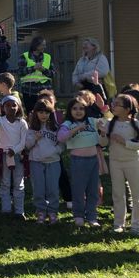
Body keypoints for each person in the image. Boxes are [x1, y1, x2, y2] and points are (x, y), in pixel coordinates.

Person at [99, 93, 139, 236]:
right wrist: (102, 134)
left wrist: (125, 142)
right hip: (115, 162)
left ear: (128, 109)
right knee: (118, 194)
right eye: (113, 103)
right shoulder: (109, 123)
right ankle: (119, 223)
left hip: (132, 162)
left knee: (137, 194)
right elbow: (103, 144)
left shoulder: (138, 124)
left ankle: (137, 224)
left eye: (117, 104)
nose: (113, 106)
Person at [58, 97, 101, 228]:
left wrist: (103, 127)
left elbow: (106, 122)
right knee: (78, 190)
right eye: (75, 108)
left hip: (93, 160)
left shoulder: (92, 121)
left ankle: (92, 216)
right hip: (78, 161)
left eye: (81, 108)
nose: (78, 111)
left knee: (93, 190)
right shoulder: (67, 124)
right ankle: (78, 215)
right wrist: (76, 129)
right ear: (70, 110)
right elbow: (61, 137)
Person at [25, 98, 63, 224]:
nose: (43, 115)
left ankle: (52, 211)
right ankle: (41, 211)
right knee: (39, 188)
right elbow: (27, 146)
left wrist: (56, 150)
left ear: (50, 113)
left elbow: (63, 144)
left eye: (46, 112)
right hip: (36, 162)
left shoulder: (55, 128)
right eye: (40, 112)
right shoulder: (31, 129)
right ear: (36, 113)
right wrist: (35, 139)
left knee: (52, 188)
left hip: (53, 162)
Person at [0, 95, 28, 219]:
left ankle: (19, 211)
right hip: (4, 155)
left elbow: (24, 141)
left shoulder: (22, 122)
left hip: (18, 156)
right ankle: (6, 209)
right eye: (8, 105)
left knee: (19, 182)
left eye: (14, 105)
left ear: (18, 107)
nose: (11, 108)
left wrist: (15, 150)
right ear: (3, 108)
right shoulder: (0, 121)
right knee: (5, 182)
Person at [18, 37, 54, 112]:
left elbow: (53, 74)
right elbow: (20, 72)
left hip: (45, 91)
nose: (45, 47)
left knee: (46, 112)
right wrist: (33, 68)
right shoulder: (24, 56)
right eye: (43, 45)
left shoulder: (48, 57)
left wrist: (43, 70)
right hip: (29, 91)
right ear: (36, 45)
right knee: (31, 113)